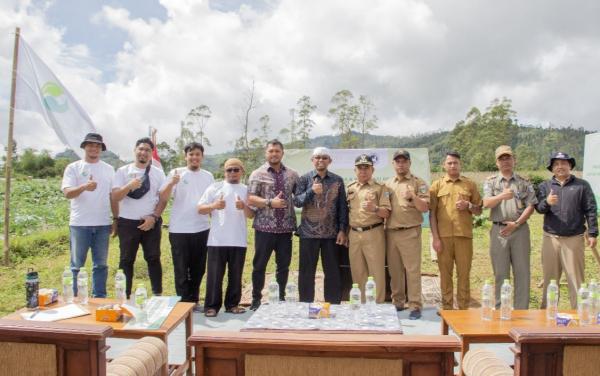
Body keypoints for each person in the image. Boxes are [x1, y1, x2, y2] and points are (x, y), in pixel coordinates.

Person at [535, 152, 598, 309]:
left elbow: (590, 209)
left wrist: (593, 232)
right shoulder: (545, 186)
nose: (560, 166)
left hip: (574, 239)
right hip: (551, 239)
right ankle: (547, 316)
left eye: (564, 163)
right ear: (552, 168)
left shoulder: (582, 185)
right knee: (550, 281)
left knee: (576, 281)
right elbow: (539, 209)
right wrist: (547, 202)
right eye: (556, 164)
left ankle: (580, 316)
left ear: (570, 166)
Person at [159, 142, 214, 311]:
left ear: (202, 157)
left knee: (198, 268)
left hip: (202, 228)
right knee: (181, 268)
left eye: (198, 154)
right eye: (191, 154)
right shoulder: (176, 173)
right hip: (179, 229)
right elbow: (163, 196)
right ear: (185, 156)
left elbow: (211, 202)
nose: (194, 157)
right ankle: (183, 303)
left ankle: (194, 300)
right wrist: (171, 183)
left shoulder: (208, 176)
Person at [198, 158, 255, 317]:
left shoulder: (246, 190)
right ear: (224, 172)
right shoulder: (215, 187)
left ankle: (232, 304)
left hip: (238, 239)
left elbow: (252, 215)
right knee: (215, 275)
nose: (232, 173)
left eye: (236, 169)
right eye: (229, 170)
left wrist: (243, 207)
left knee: (235, 275)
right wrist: (214, 206)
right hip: (217, 239)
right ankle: (211, 306)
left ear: (242, 172)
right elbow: (200, 208)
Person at [61, 133, 115, 298]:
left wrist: (116, 219)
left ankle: (99, 297)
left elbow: (113, 196)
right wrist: (84, 186)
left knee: (101, 265)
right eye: (91, 145)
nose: (94, 148)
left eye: (98, 146)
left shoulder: (109, 169)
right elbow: (67, 193)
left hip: (103, 224)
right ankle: (75, 299)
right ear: (84, 147)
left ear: (101, 149)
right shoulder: (73, 167)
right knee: (77, 265)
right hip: (80, 224)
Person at [482, 145, 537, 309]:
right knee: (500, 272)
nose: (505, 161)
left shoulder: (523, 182)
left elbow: (531, 205)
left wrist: (517, 223)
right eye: (501, 158)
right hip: (499, 231)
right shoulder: (491, 182)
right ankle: (500, 309)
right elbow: (486, 203)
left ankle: (521, 311)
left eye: (508, 158)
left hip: (519, 230)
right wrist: (501, 196)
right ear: (497, 162)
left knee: (522, 272)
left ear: (514, 160)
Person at [247, 139, 299, 310]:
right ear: (266, 153)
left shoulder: (292, 174)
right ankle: (256, 299)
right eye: (271, 151)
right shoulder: (257, 174)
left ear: (282, 153)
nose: (274, 154)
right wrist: (270, 203)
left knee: (283, 266)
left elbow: (299, 197)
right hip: (264, 229)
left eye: (277, 151)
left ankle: (282, 298)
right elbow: (251, 198)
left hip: (285, 229)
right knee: (259, 266)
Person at [112, 137, 166, 298]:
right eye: (141, 149)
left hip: (151, 222)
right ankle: (125, 296)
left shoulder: (158, 173)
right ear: (135, 151)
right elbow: (115, 197)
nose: (143, 152)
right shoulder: (122, 172)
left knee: (153, 258)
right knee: (126, 260)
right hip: (127, 222)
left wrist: (154, 217)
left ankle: (158, 294)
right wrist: (129, 186)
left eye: (147, 150)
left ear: (151, 154)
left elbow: (163, 199)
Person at [293, 147, 348, 304]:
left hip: (331, 234)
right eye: (317, 157)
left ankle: (332, 305)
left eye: (324, 158)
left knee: (332, 272)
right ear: (312, 160)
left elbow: (342, 207)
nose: (320, 160)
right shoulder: (304, 179)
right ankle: (305, 304)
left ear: (329, 161)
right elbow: (297, 202)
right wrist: (311, 191)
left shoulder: (337, 180)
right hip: (308, 234)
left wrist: (342, 230)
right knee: (306, 272)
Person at [430, 151, 482, 310]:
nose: (453, 165)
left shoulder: (469, 184)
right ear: (444, 165)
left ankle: (463, 308)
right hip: (443, 238)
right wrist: (435, 238)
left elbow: (479, 210)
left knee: (464, 274)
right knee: (445, 275)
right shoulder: (436, 185)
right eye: (449, 163)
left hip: (463, 236)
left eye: (455, 163)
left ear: (460, 165)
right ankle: (447, 308)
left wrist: (469, 206)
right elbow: (431, 214)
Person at [384, 149, 429, 319]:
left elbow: (425, 208)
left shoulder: (418, 183)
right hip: (391, 232)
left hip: (410, 231)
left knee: (412, 270)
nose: (401, 164)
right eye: (398, 161)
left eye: (404, 161)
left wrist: (413, 196)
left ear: (409, 163)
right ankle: (398, 302)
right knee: (395, 270)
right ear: (393, 164)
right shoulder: (388, 184)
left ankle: (415, 305)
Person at [346, 154, 391, 303]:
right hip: (354, 234)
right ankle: (361, 305)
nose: (363, 171)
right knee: (357, 272)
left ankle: (377, 306)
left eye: (367, 168)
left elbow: (387, 212)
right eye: (360, 168)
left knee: (376, 271)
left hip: (373, 233)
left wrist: (375, 208)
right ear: (355, 170)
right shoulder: (350, 188)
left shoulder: (380, 188)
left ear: (373, 170)